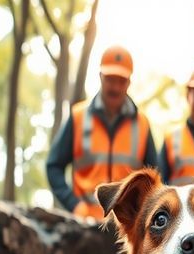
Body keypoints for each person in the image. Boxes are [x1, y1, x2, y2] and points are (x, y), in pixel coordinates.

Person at [46, 45, 158, 220]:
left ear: (129, 82)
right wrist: (74, 204)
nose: (115, 87)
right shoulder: (78, 117)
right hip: (84, 223)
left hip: (126, 227)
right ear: (100, 77)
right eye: (110, 79)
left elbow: (155, 178)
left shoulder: (142, 123)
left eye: (121, 81)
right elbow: (53, 166)